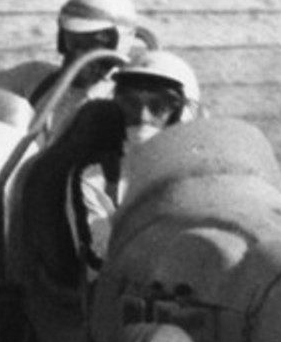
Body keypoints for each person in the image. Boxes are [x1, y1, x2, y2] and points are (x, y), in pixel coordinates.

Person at [66, 49, 202, 280]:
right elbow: (100, 261)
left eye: (158, 106)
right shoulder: (95, 178)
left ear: (184, 111)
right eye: (129, 104)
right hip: (124, 304)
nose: (142, 116)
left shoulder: (206, 175)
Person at [0, 0, 142, 142]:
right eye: (73, 40)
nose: (79, 53)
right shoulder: (31, 78)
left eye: (92, 42)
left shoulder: (128, 101)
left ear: (118, 43)